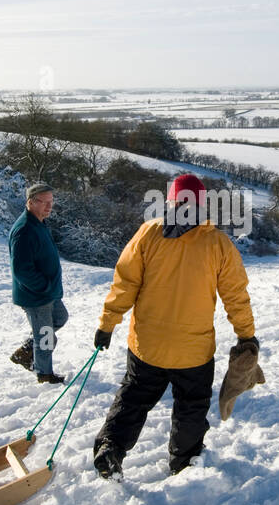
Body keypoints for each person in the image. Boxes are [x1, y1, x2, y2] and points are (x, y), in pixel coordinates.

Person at [92, 174, 256, 479]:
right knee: (191, 407)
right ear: (203, 203)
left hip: (147, 346)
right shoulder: (218, 243)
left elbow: (124, 284)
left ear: (170, 201)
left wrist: (107, 324)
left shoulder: (148, 233)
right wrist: (246, 335)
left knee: (134, 398)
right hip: (193, 351)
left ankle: (111, 447)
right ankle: (184, 462)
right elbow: (236, 296)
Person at [8, 183, 67, 384]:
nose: (49, 206)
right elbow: (21, 270)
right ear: (31, 202)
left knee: (60, 318)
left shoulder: (39, 222)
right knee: (46, 338)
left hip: (48, 293)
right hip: (36, 296)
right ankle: (44, 375)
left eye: (51, 202)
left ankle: (27, 351)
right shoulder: (24, 230)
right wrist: (44, 287)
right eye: (44, 202)